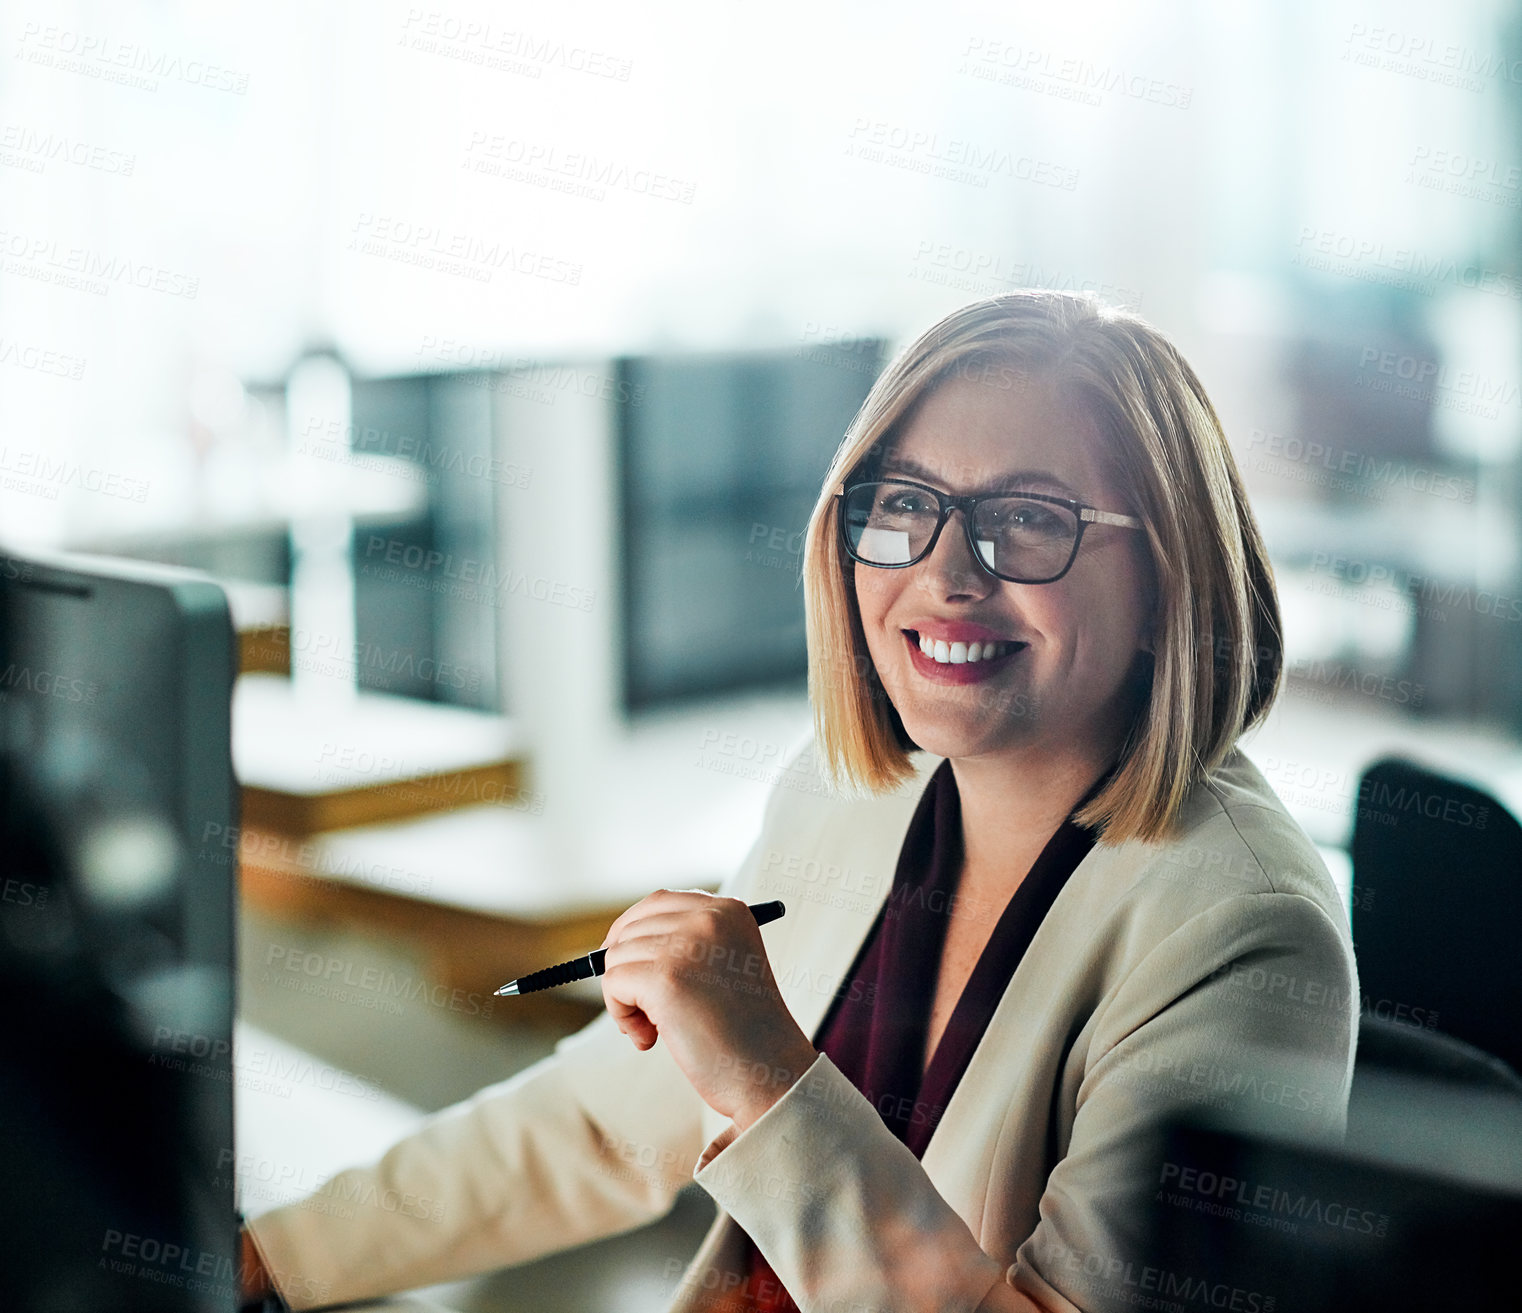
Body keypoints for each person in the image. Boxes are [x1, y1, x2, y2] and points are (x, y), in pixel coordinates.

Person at [241, 292, 1356, 1313]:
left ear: (1171, 571)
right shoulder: (851, 788)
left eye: (1027, 517)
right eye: (904, 505)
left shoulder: (1244, 936)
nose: (946, 574)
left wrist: (769, 1073)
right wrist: (260, 1264)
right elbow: (601, 1119)